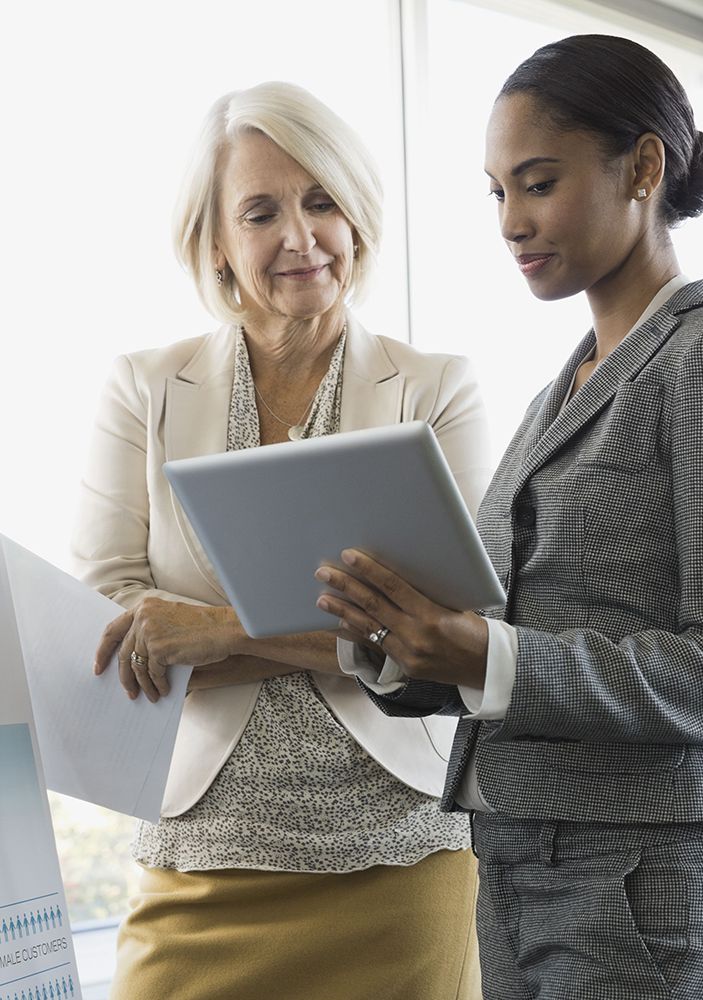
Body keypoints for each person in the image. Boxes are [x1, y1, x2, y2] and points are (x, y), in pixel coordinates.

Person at [314, 34, 703, 1000]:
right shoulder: (565, 390)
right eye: (497, 191)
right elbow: (520, 638)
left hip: (652, 879)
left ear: (643, 168)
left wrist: (484, 655)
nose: (512, 220)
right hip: (517, 869)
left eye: (538, 183)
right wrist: (400, 636)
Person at [73, 81, 488, 1000]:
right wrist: (350, 640)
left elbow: (446, 638)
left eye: (322, 201)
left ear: (358, 217)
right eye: (261, 211)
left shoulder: (436, 389)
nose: (300, 237)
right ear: (216, 242)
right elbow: (108, 627)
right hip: (195, 855)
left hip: (400, 858)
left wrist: (217, 633)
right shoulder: (143, 389)